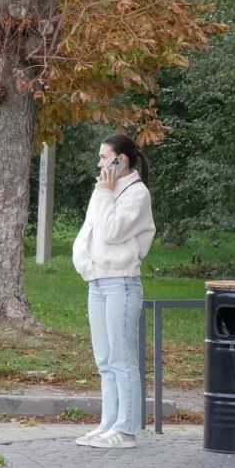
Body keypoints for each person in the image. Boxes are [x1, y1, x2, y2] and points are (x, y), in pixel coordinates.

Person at [72, 134, 156, 450]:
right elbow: (91, 229)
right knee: (105, 360)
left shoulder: (136, 193)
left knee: (122, 359)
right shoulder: (105, 189)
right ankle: (108, 423)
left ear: (123, 160)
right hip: (98, 281)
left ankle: (126, 429)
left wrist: (105, 193)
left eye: (105, 157)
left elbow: (111, 232)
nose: (100, 164)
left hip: (121, 282)